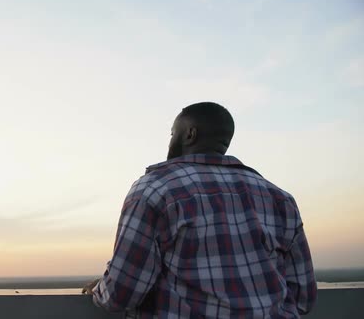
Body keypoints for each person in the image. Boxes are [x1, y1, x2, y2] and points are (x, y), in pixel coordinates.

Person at [83, 102, 317, 318]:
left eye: (173, 133)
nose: (170, 141)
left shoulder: (155, 189)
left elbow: (122, 293)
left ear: (190, 134)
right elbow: (303, 296)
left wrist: (101, 289)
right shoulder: (278, 197)